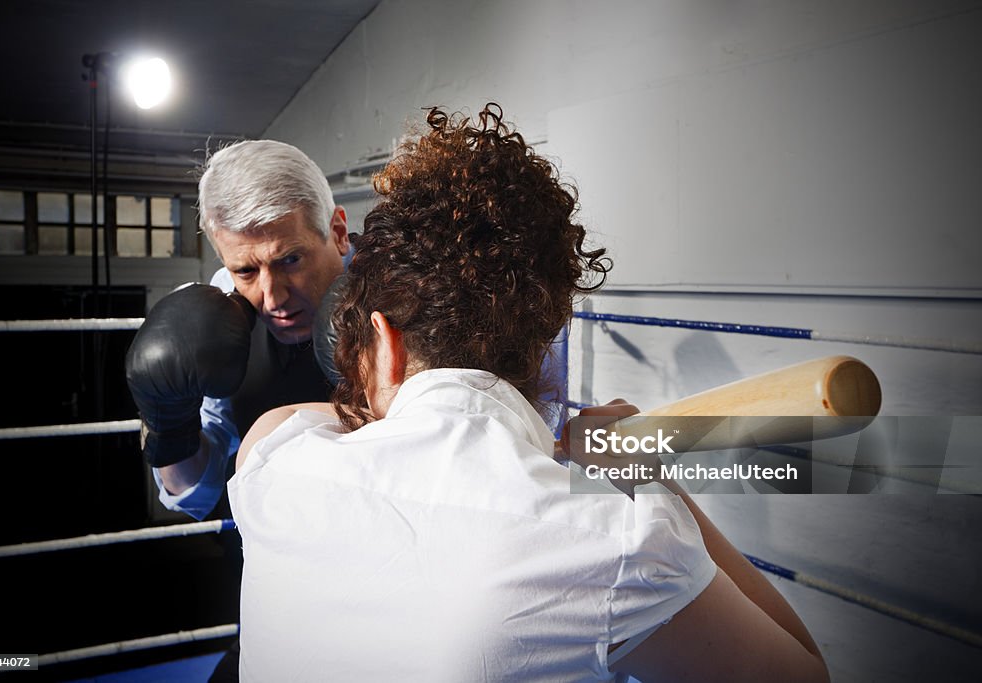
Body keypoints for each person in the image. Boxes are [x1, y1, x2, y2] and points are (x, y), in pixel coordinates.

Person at [228, 105, 829, 682]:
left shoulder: (272, 454)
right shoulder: (621, 545)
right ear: (543, 345)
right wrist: (640, 476)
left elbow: (348, 419)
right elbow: (807, 673)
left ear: (383, 343)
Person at [124, 139, 350, 682]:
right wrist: (167, 421)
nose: (272, 295)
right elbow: (193, 496)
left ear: (337, 232)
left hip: (390, 564)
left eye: (290, 259)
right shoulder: (222, 307)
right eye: (246, 270)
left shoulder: (408, 295)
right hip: (274, 569)